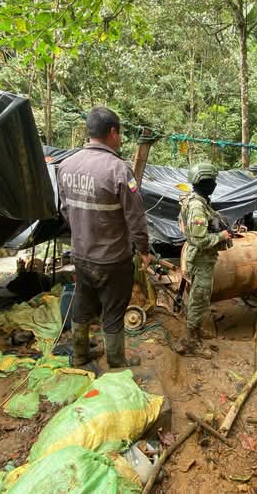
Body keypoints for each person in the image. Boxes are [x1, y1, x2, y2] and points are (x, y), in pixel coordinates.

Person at [56, 106, 150, 368]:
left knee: (83, 304)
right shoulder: (119, 170)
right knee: (113, 310)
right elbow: (135, 217)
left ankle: (80, 355)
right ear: (112, 133)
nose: (120, 139)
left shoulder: (66, 166)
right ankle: (117, 361)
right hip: (113, 259)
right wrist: (143, 249)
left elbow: (65, 210)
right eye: (119, 134)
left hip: (82, 254)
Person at [175, 163, 232, 357]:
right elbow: (199, 239)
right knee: (199, 298)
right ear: (205, 182)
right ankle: (191, 342)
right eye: (213, 181)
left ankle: (196, 329)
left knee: (201, 296)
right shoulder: (197, 206)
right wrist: (221, 237)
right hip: (200, 259)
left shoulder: (200, 200)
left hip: (203, 259)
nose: (215, 184)